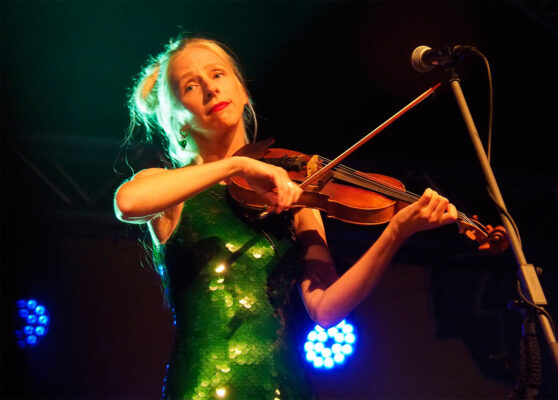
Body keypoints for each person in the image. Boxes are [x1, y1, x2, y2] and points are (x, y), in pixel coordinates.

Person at [114, 35, 458, 400]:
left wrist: (395, 233)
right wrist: (236, 163)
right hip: (203, 387)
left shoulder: (295, 191)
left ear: (242, 91)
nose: (211, 90)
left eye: (218, 75)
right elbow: (128, 203)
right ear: (177, 122)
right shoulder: (168, 189)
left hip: (284, 386)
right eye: (190, 86)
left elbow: (326, 308)